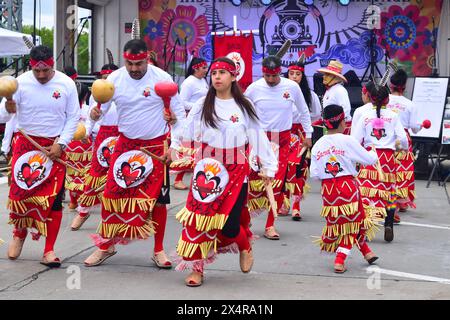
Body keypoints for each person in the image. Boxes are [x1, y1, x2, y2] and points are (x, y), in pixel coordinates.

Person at [169, 57, 277, 286]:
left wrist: (268, 166)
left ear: (233, 76)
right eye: (214, 72)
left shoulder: (244, 105)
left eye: (222, 72)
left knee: (228, 226)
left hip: (236, 171)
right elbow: (187, 131)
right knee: (199, 221)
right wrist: (174, 144)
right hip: (206, 169)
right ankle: (197, 269)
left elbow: (258, 136)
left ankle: (244, 243)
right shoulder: (202, 104)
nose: (217, 76)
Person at [84, 38, 185, 268]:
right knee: (111, 196)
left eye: (139, 63)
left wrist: (175, 145)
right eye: (130, 63)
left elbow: (180, 116)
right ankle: (105, 246)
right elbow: (99, 109)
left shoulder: (162, 78)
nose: (134, 69)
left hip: (157, 147)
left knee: (159, 202)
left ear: (147, 58)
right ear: (124, 59)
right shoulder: (113, 80)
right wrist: (93, 117)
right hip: (125, 145)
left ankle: (158, 250)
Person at [0, 45, 80, 267]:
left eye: (46, 70)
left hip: (54, 147)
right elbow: (3, 117)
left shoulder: (66, 83)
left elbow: (73, 117)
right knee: (21, 197)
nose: (42, 75)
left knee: (53, 201)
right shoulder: (18, 83)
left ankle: (49, 249)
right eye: (38, 71)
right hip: (26, 145)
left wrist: (62, 143)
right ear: (31, 66)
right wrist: (8, 107)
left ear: (52, 64)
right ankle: (19, 234)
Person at [245, 55, 312, 240]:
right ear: (263, 73)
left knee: (277, 183)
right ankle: (246, 219)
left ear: (280, 72)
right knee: (252, 181)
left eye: (274, 76)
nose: (271, 80)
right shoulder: (254, 88)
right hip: (259, 140)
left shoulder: (292, 87)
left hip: (282, 141)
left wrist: (308, 134)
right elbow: (243, 112)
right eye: (267, 76)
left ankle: (270, 225)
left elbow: (304, 110)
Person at [310, 104, 379, 273]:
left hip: (328, 191)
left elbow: (314, 173)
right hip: (347, 187)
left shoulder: (318, 144)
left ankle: (367, 252)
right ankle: (339, 260)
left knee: (347, 222)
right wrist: (373, 150)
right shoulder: (347, 140)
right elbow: (369, 160)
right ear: (342, 122)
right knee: (353, 224)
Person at [351, 82, 408, 242]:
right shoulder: (393, 115)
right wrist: (401, 148)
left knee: (367, 191)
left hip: (370, 157)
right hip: (388, 159)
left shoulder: (364, 116)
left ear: (371, 98)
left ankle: (366, 225)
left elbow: (355, 140)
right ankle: (388, 223)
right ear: (387, 100)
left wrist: (355, 158)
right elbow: (403, 140)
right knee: (389, 192)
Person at [70, 63, 120, 231]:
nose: (105, 82)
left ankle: (122, 215)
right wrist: (87, 131)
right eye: (103, 78)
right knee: (95, 175)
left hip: (124, 136)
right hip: (103, 137)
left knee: (124, 176)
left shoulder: (124, 92)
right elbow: (92, 118)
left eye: (109, 78)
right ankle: (83, 211)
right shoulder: (96, 96)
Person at [281, 60, 321, 220]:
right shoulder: (281, 91)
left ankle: (296, 205)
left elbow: (317, 114)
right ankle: (284, 203)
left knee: (298, 170)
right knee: (282, 170)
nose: (295, 77)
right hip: (283, 134)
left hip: (300, 137)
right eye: (292, 74)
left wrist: (306, 128)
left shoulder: (309, 95)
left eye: (298, 74)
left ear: (303, 76)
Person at [386, 69, 422, 212]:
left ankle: (387, 198)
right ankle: (401, 201)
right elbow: (414, 128)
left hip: (387, 136)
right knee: (402, 170)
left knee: (388, 167)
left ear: (391, 85)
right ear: (404, 87)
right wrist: (421, 126)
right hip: (403, 139)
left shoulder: (385, 100)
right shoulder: (410, 104)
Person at [171, 57, 209, 190]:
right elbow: (182, 102)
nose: (206, 70)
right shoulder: (189, 83)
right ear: (196, 68)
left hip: (203, 120)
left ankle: (199, 178)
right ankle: (178, 179)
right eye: (204, 68)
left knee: (201, 150)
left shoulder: (203, 80)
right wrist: (198, 106)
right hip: (192, 120)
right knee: (189, 150)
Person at [63, 69, 93, 210]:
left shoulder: (66, 111)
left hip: (70, 145)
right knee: (83, 173)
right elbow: (92, 126)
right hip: (86, 145)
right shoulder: (88, 109)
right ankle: (82, 200)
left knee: (72, 173)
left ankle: (74, 201)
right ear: (86, 95)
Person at [318, 60, 352, 134]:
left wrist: (334, 123)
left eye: (327, 75)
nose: (324, 76)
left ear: (335, 77)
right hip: (331, 127)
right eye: (324, 74)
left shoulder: (340, 90)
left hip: (339, 128)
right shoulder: (330, 89)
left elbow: (346, 110)